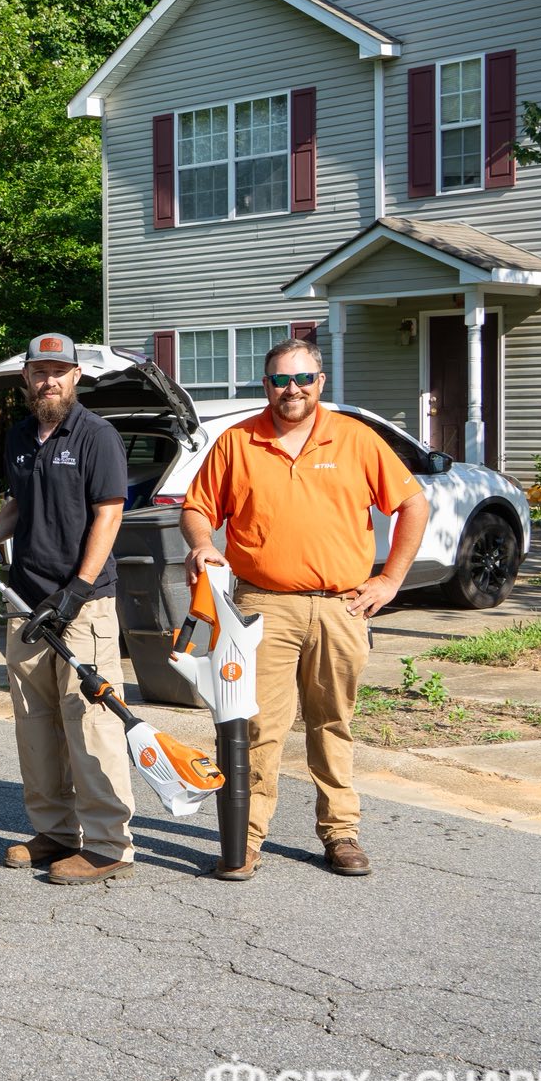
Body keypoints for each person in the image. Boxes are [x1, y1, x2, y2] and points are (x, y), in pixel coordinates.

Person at [180, 337, 429, 880]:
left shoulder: (357, 439)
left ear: (321, 383)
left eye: (302, 379)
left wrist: (390, 580)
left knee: (332, 723)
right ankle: (243, 840)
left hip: (342, 607)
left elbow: (413, 503)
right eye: (278, 380)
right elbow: (197, 508)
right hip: (260, 604)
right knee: (254, 725)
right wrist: (203, 544)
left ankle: (340, 833)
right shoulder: (237, 442)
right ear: (264, 384)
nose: (291, 390)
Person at [0, 333, 137, 884]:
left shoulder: (97, 436)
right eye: (39, 371)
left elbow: (109, 516)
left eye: (59, 370)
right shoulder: (20, 436)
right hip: (24, 601)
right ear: (26, 379)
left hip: (82, 607)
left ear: (75, 376)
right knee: (36, 725)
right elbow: (17, 506)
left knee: (92, 724)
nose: (48, 380)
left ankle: (108, 844)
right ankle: (56, 831)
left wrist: (76, 590)